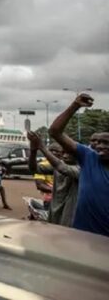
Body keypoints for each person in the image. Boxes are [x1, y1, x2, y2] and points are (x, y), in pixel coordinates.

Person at [49, 93, 109, 237]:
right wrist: (74, 106)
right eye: (98, 142)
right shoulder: (89, 157)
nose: (99, 146)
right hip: (81, 235)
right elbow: (55, 131)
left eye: (105, 143)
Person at [27, 131, 80, 227]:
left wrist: (42, 147)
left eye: (69, 153)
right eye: (63, 152)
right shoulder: (57, 166)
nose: (65, 156)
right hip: (54, 209)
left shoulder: (81, 168)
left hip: (71, 213)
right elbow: (33, 169)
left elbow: (63, 168)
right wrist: (33, 150)